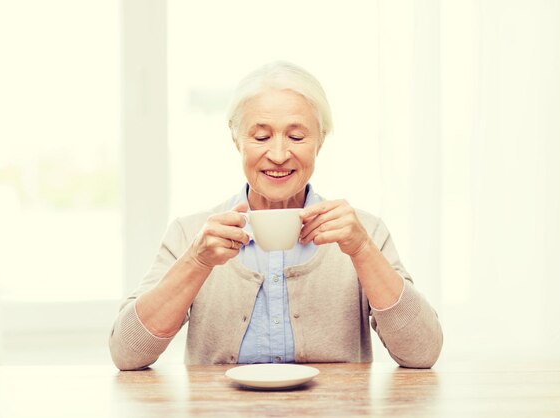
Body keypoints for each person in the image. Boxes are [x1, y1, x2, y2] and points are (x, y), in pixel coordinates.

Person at [109, 61, 443, 370]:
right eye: (261, 136)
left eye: (297, 136)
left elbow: (422, 353)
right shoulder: (192, 234)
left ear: (319, 142)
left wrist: (363, 251)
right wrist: (196, 262)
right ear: (237, 141)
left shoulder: (362, 232)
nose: (279, 154)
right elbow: (126, 354)